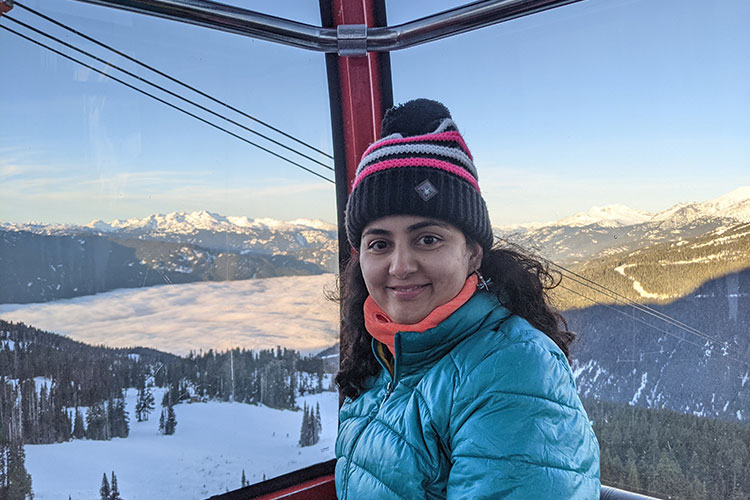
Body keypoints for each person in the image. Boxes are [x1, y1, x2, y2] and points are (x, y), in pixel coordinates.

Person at [333, 98, 600, 499]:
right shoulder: (383, 357)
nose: (400, 266)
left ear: (473, 252)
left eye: (428, 239)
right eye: (379, 244)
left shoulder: (511, 368)